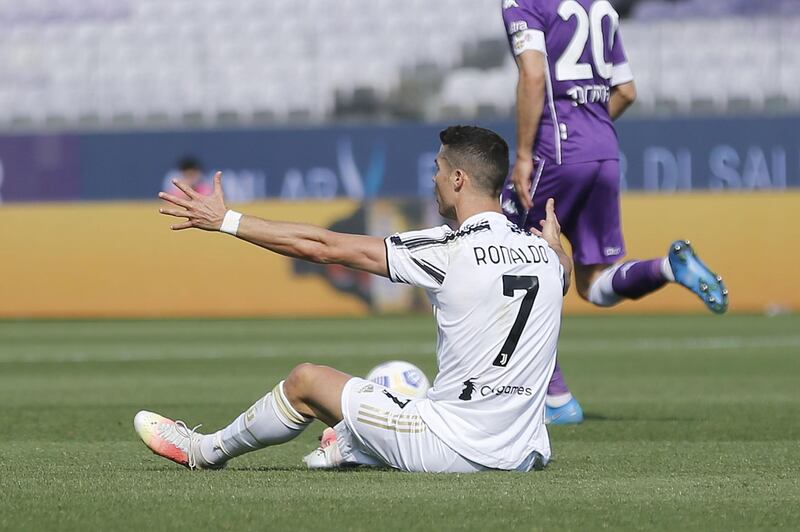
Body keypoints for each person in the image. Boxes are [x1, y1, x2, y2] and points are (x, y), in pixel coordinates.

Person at [134, 126, 572, 473]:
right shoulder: (545, 257)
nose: (434, 179)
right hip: (522, 452)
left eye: (438, 169)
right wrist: (558, 246)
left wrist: (226, 219)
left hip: (454, 448)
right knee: (410, 405)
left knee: (307, 380)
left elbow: (322, 247)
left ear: (459, 178)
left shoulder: (449, 250)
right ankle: (352, 444)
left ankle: (202, 450)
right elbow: (565, 276)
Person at [500, 0, 728, 424]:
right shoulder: (598, 4)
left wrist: (526, 154)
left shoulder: (525, 2)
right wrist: (592, 131)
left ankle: (555, 400)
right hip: (604, 150)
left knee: (504, 261)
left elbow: (533, 75)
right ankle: (667, 269)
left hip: (557, 148)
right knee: (594, 283)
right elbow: (627, 91)